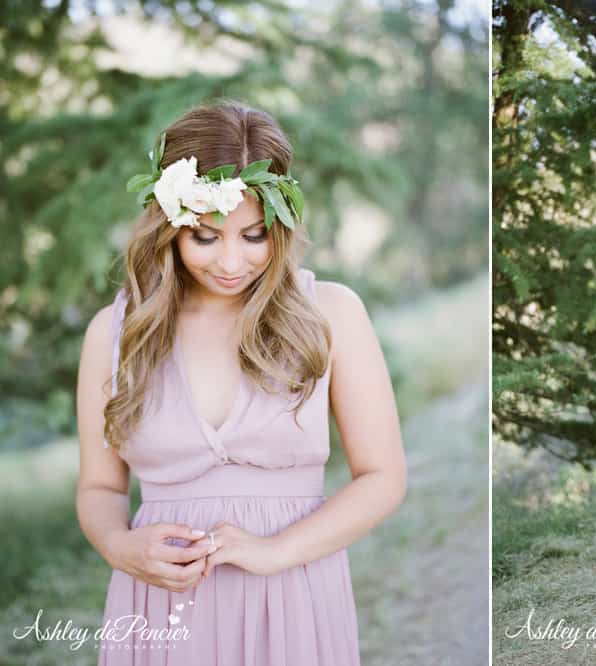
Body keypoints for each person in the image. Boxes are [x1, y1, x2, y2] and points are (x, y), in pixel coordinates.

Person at [75, 101, 406, 664]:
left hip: (294, 595)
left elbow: (383, 477)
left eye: (254, 236)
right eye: (205, 238)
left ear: (281, 223)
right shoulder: (116, 331)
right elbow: (100, 489)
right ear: (168, 224)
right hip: (160, 610)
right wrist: (121, 546)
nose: (232, 261)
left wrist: (278, 551)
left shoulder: (330, 313)